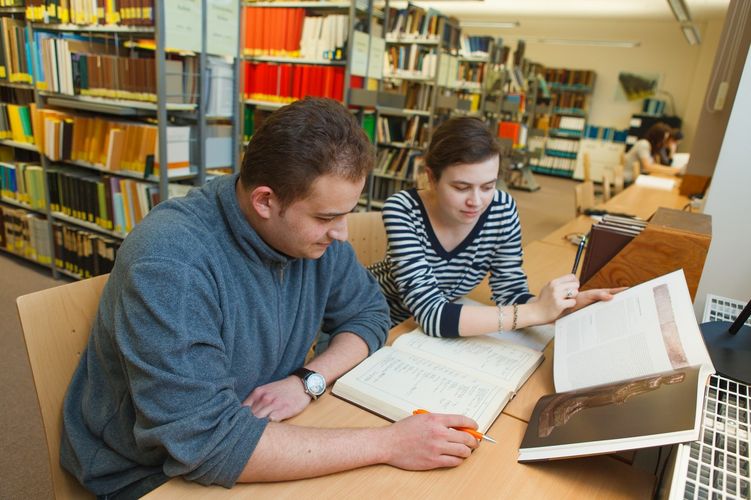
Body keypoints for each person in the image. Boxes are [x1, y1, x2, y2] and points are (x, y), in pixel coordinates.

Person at [60, 98, 480, 499]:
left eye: (346, 212)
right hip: (148, 473)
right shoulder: (172, 263)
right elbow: (204, 443)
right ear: (265, 201)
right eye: (326, 217)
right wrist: (387, 444)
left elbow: (369, 313)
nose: (342, 234)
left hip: (250, 430)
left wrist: (307, 381)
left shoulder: (312, 238)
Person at [368, 117, 618, 338]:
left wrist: (560, 308)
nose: (476, 202)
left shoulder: (501, 207)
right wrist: (538, 312)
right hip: (381, 318)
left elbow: (509, 292)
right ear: (432, 178)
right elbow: (431, 315)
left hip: (444, 321)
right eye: (461, 187)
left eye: (488, 186)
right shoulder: (403, 209)